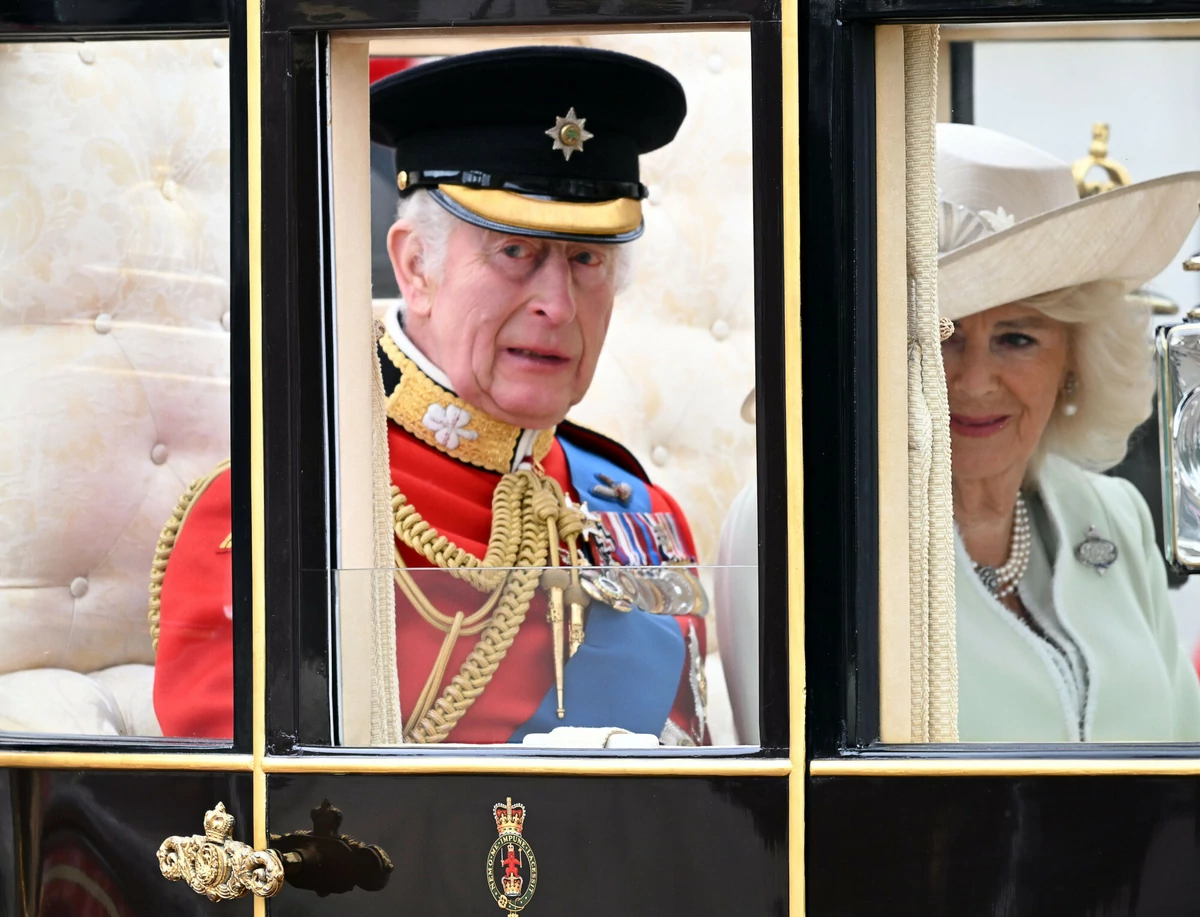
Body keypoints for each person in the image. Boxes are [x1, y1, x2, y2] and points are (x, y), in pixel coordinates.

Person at [152, 46, 710, 746]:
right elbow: (261, 826)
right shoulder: (274, 518)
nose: (559, 306)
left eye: (587, 260)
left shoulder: (643, 516)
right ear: (416, 265)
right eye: (516, 252)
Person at [938, 123, 1200, 741]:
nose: (976, 382)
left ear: (1073, 362)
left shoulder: (1115, 515)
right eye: (941, 336)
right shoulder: (811, 532)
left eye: (1017, 339)